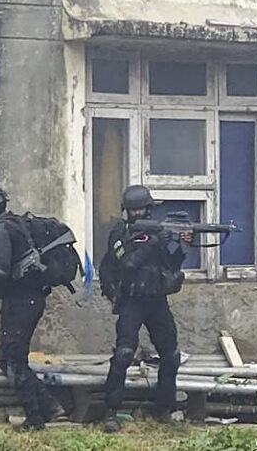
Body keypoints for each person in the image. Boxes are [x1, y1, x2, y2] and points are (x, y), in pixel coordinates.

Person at [0, 186, 66, 431]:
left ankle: (36, 417)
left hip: (22, 302)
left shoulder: (1, 229)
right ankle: (52, 407)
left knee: (14, 358)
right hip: (27, 299)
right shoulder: (15, 224)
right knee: (5, 358)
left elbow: (1, 271)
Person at [98, 185, 192, 432]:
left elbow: (169, 265)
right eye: (134, 210)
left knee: (171, 355)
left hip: (156, 300)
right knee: (124, 353)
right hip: (132, 301)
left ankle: (164, 408)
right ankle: (111, 411)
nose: (138, 213)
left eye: (142, 209)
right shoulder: (120, 233)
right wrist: (153, 242)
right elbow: (127, 263)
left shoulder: (155, 233)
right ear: (126, 211)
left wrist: (182, 248)